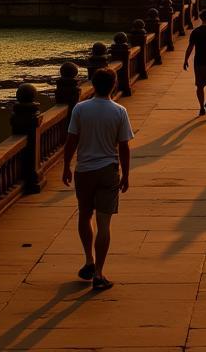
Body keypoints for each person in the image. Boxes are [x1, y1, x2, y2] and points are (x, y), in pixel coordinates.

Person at [62, 67, 133, 291]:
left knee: (85, 215)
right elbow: (124, 147)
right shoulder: (119, 111)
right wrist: (126, 174)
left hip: (84, 170)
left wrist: (66, 166)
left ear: (93, 83)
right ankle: (100, 273)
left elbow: (71, 141)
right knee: (104, 223)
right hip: (108, 169)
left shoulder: (81, 109)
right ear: (114, 85)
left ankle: (88, 260)